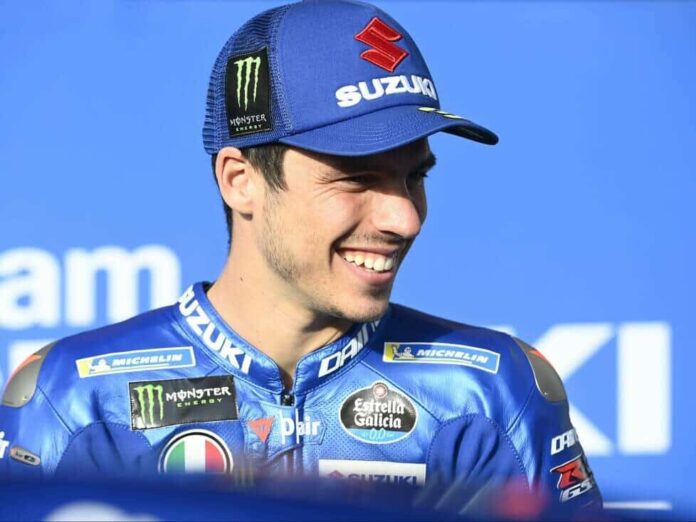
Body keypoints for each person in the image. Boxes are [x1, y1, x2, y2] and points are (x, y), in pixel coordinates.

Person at [0, 0, 601, 517]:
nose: (405, 218)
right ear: (240, 181)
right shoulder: (75, 398)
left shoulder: (487, 392)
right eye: (357, 179)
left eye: (415, 177)